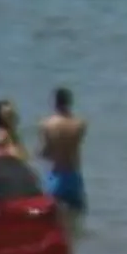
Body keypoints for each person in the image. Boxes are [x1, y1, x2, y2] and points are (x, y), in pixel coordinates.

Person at [39, 87, 89, 216]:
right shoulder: (80, 124)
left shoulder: (47, 124)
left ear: (55, 102)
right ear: (70, 102)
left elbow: (45, 152)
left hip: (56, 176)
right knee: (77, 216)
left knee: (54, 220)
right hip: (74, 176)